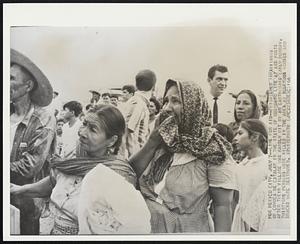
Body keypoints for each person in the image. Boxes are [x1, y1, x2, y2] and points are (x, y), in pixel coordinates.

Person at [11, 104, 151, 234]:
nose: (82, 132)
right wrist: (19, 189)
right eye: (84, 124)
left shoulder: (117, 176)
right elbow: (53, 183)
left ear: (112, 140)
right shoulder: (74, 163)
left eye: (93, 129)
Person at [130, 79, 237, 233]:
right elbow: (129, 175)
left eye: (175, 101)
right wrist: (152, 142)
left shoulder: (213, 149)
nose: (167, 108)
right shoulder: (165, 139)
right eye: (166, 101)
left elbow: (222, 207)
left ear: (193, 106)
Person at [10, 48, 56, 234]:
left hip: (24, 201)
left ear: (27, 86)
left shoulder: (43, 120)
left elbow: (30, 166)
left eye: (11, 78)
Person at [231, 119, 269, 232]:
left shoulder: (266, 164)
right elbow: (236, 198)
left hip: (257, 222)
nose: (235, 138)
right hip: (240, 221)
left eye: (240, 133)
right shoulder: (241, 165)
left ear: (254, 137)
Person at [123, 69, 156, 158]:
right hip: (133, 158)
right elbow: (128, 132)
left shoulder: (136, 101)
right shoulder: (139, 104)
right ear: (153, 87)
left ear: (136, 85)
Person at [228, 90, 261, 163]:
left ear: (254, 107)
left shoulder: (259, 130)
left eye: (246, 103)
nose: (240, 107)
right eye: (238, 103)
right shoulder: (229, 128)